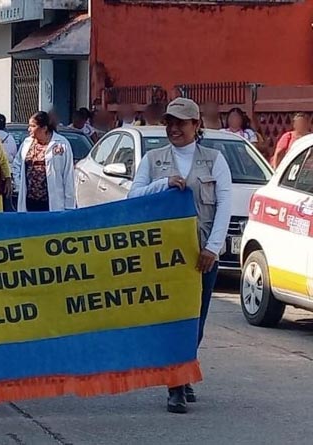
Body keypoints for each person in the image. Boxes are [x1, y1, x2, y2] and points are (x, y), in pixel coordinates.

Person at [127, 98, 232, 414]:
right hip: (163, 257)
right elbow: (133, 196)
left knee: (195, 322)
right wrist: (163, 185)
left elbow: (224, 207)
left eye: (181, 123)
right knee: (172, 321)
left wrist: (213, 248)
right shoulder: (153, 159)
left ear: (196, 126)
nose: (174, 128)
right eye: (170, 122)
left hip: (201, 255)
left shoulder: (215, 160)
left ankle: (183, 373)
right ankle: (175, 385)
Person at [12, 111, 76, 212]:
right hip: (29, 200)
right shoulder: (27, 143)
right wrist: (19, 185)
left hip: (52, 201)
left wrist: (69, 205)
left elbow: (68, 175)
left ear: (44, 128)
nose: (29, 129)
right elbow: (17, 165)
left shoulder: (61, 144)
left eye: (32, 126)